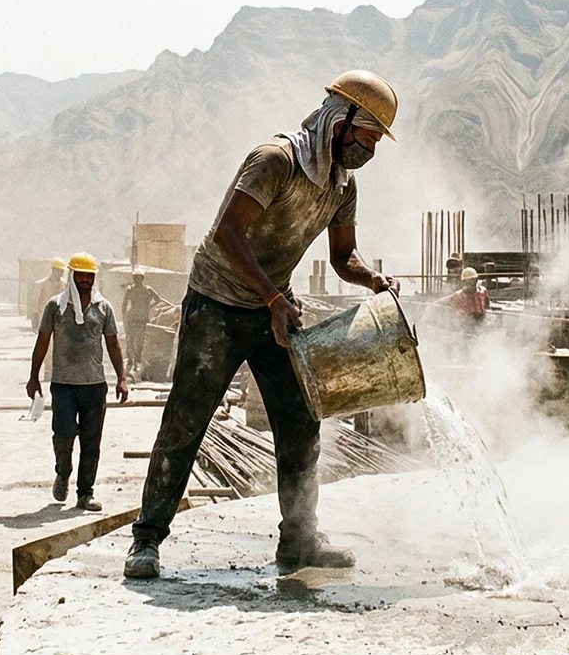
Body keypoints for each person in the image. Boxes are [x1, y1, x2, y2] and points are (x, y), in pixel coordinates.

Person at [126, 71, 401, 579]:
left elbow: (343, 256)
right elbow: (227, 232)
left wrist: (372, 279)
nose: (369, 152)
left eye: (375, 144)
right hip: (216, 304)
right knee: (187, 419)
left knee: (301, 423)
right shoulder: (275, 161)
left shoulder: (342, 186)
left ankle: (299, 541)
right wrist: (273, 296)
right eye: (367, 139)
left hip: (273, 307)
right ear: (340, 123)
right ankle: (147, 540)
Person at [28, 253, 128, 511]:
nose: (84, 280)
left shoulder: (103, 307)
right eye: (80, 274)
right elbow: (42, 341)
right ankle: (63, 472)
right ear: (71, 276)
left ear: (94, 277)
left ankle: (85, 493)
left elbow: (113, 343)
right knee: (63, 435)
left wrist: (122, 378)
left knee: (91, 441)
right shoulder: (55, 307)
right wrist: (33, 377)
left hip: (94, 386)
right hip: (64, 385)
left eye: (89, 275)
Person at [121, 268, 172, 378]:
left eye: (139, 278)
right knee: (130, 340)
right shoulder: (129, 290)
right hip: (131, 318)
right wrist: (124, 316)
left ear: (142, 279)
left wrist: (149, 307)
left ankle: (137, 361)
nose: (137, 280)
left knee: (139, 342)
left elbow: (158, 299)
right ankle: (130, 360)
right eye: (135, 278)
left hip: (142, 319)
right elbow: (124, 304)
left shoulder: (148, 290)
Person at [33, 258, 66, 327]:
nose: (62, 273)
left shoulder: (64, 285)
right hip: (44, 315)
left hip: (59, 316)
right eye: (60, 270)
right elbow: (36, 301)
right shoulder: (42, 284)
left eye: (63, 271)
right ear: (54, 270)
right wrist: (35, 315)